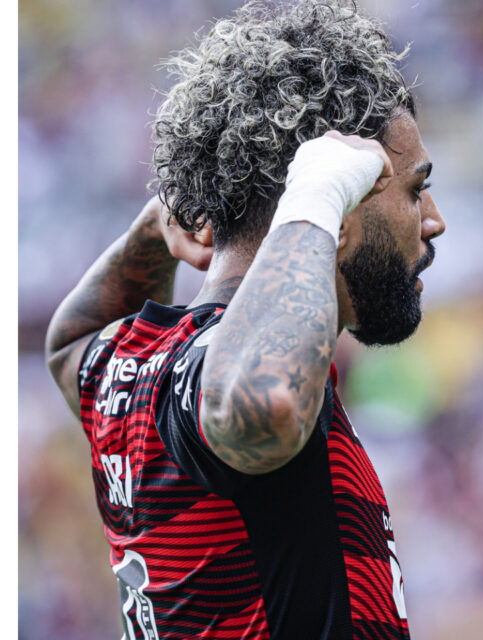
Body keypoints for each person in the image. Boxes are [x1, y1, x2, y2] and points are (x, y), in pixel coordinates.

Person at [42, 2, 444, 638]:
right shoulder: (233, 379)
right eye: (416, 188)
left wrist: (156, 225)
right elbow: (265, 404)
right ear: (340, 206)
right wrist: (310, 202)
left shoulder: (141, 362)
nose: (433, 220)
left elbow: (70, 345)